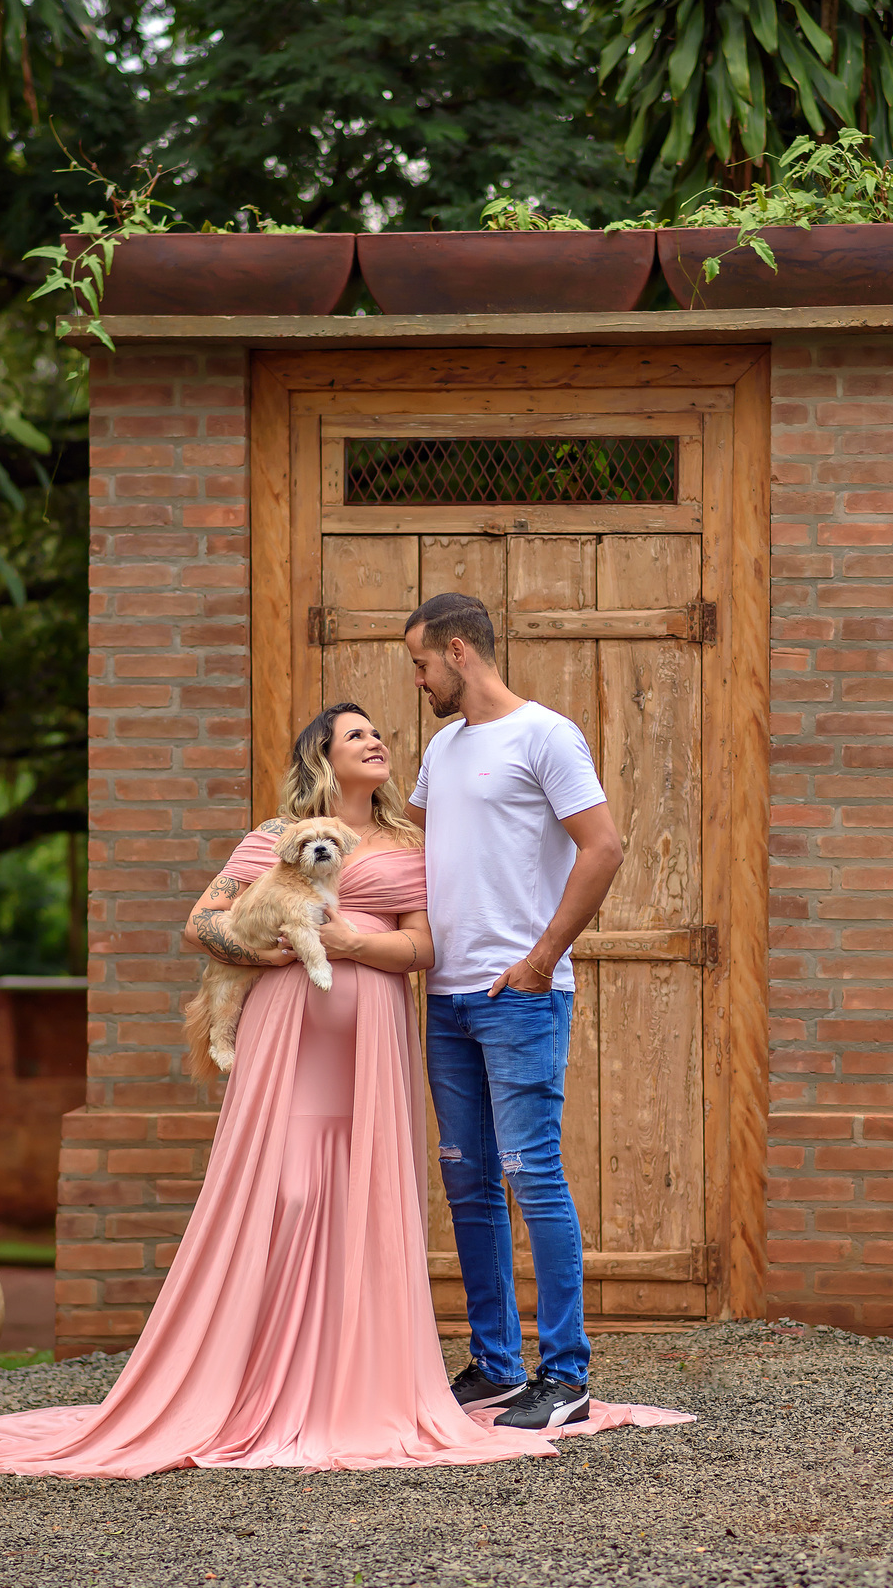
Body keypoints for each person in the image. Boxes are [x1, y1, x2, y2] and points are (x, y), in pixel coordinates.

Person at [0, 703, 684, 1478]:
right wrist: (272, 954)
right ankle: (266, 1371)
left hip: (370, 1041)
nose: (376, 742)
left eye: (377, 733)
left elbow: (424, 947)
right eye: (357, 735)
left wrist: (351, 942)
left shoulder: (411, 845)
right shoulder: (274, 838)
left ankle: (359, 1377)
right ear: (322, 758)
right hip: (289, 1038)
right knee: (290, 1190)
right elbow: (201, 923)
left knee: (362, 1193)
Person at [403, 593, 624, 1431]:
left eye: (422, 663)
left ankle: (565, 1376)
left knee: (532, 1175)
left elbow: (604, 847)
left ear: (459, 652)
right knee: (467, 1181)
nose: (419, 680)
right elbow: (409, 850)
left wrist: (540, 960)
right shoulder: (442, 747)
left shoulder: (546, 735)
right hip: (446, 999)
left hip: (519, 999)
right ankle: (496, 1364)